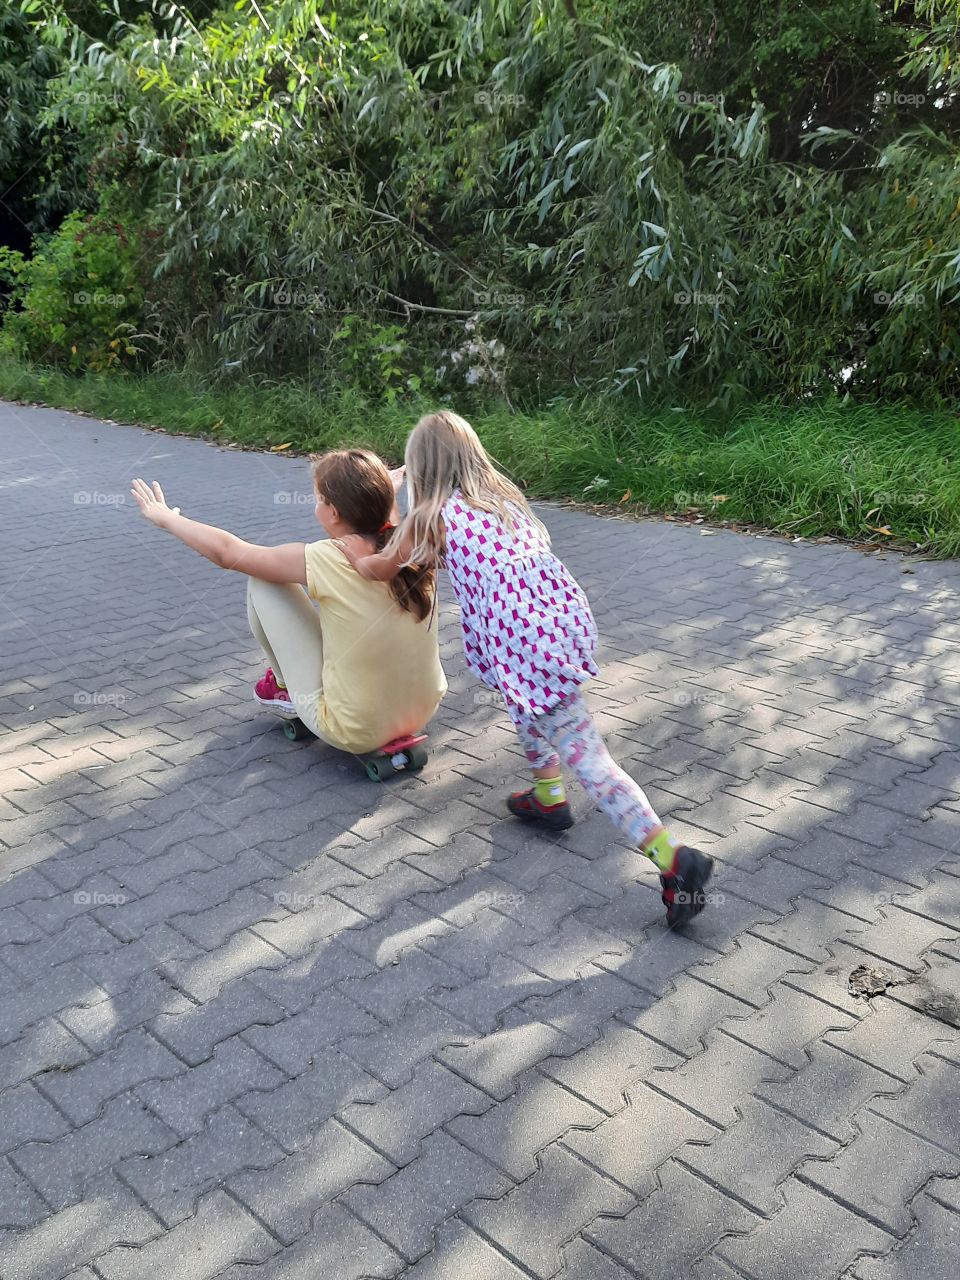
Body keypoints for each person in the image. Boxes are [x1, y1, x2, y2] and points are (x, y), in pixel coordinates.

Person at [335, 411, 713, 928]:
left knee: (590, 759)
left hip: (523, 643)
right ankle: (548, 796)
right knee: (526, 704)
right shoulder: (501, 499)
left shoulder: (428, 519)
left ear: (421, 469)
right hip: (553, 625)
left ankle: (673, 860)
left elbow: (382, 567)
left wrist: (353, 556)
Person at [130, 448, 446, 756]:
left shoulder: (326, 558)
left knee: (264, 579)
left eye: (318, 499)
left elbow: (228, 553)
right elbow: (383, 524)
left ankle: (283, 687)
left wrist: (165, 519)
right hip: (421, 710)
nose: (315, 507)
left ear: (334, 513)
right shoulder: (413, 549)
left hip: (354, 728)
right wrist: (384, 492)